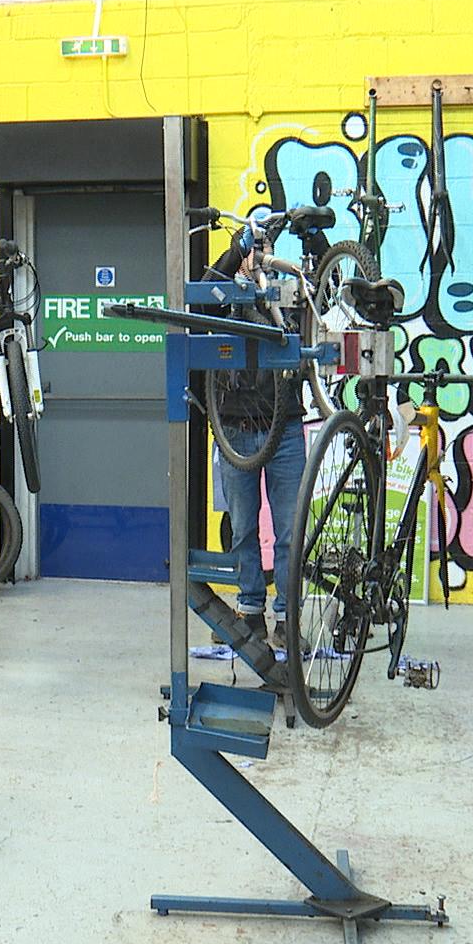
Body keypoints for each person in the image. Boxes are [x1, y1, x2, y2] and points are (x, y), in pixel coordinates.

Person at [204, 237, 303, 642]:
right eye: (253, 246)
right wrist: (232, 256)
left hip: (286, 427)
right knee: (243, 527)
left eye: (263, 246)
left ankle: (286, 620)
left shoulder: (286, 290)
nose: (257, 254)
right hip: (234, 426)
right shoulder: (225, 290)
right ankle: (250, 612)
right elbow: (200, 301)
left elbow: (325, 298)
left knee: (290, 531)